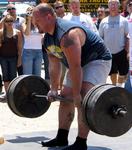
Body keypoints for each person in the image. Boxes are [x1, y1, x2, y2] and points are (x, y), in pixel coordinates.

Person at [32, 3, 112, 150]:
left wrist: (77, 95)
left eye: (37, 20)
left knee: (83, 96)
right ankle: (61, 138)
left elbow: (75, 67)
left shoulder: (67, 35)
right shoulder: (47, 39)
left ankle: (81, 143)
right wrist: (54, 89)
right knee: (64, 96)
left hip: (97, 59)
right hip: (78, 64)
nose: (34, 23)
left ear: (48, 17)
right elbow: (54, 65)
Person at [99, 0, 129, 87]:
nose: (113, 6)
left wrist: (127, 52)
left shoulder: (124, 21)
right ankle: (114, 87)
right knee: (112, 72)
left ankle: (119, 87)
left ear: (118, 6)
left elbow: (128, 37)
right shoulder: (103, 21)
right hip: (108, 52)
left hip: (121, 51)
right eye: (111, 5)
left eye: (115, 4)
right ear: (108, 6)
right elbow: (100, 37)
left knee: (123, 73)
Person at [0, 14, 22, 96]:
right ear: (4, 22)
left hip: (14, 57)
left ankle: (12, 93)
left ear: (13, 22)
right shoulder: (1, 32)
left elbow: (19, 47)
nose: (9, 23)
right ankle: (7, 93)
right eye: (7, 21)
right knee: (5, 75)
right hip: (3, 58)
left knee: (13, 75)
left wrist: (19, 59)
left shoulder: (18, 32)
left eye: (11, 21)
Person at [0, 3, 25, 75]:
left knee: (20, 72)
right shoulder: (5, 20)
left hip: (19, 50)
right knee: (8, 74)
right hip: (7, 51)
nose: (11, 10)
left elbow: (24, 33)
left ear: (15, 9)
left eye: (13, 8)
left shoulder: (21, 19)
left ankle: (19, 86)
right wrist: (5, 17)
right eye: (9, 9)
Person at [21, 7, 43, 76]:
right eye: (29, 12)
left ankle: (36, 87)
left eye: (32, 12)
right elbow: (27, 34)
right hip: (28, 51)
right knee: (28, 75)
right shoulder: (24, 24)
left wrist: (36, 21)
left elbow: (42, 33)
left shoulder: (40, 24)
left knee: (37, 75)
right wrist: (29, 19)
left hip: (38, 51)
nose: (31, 14)